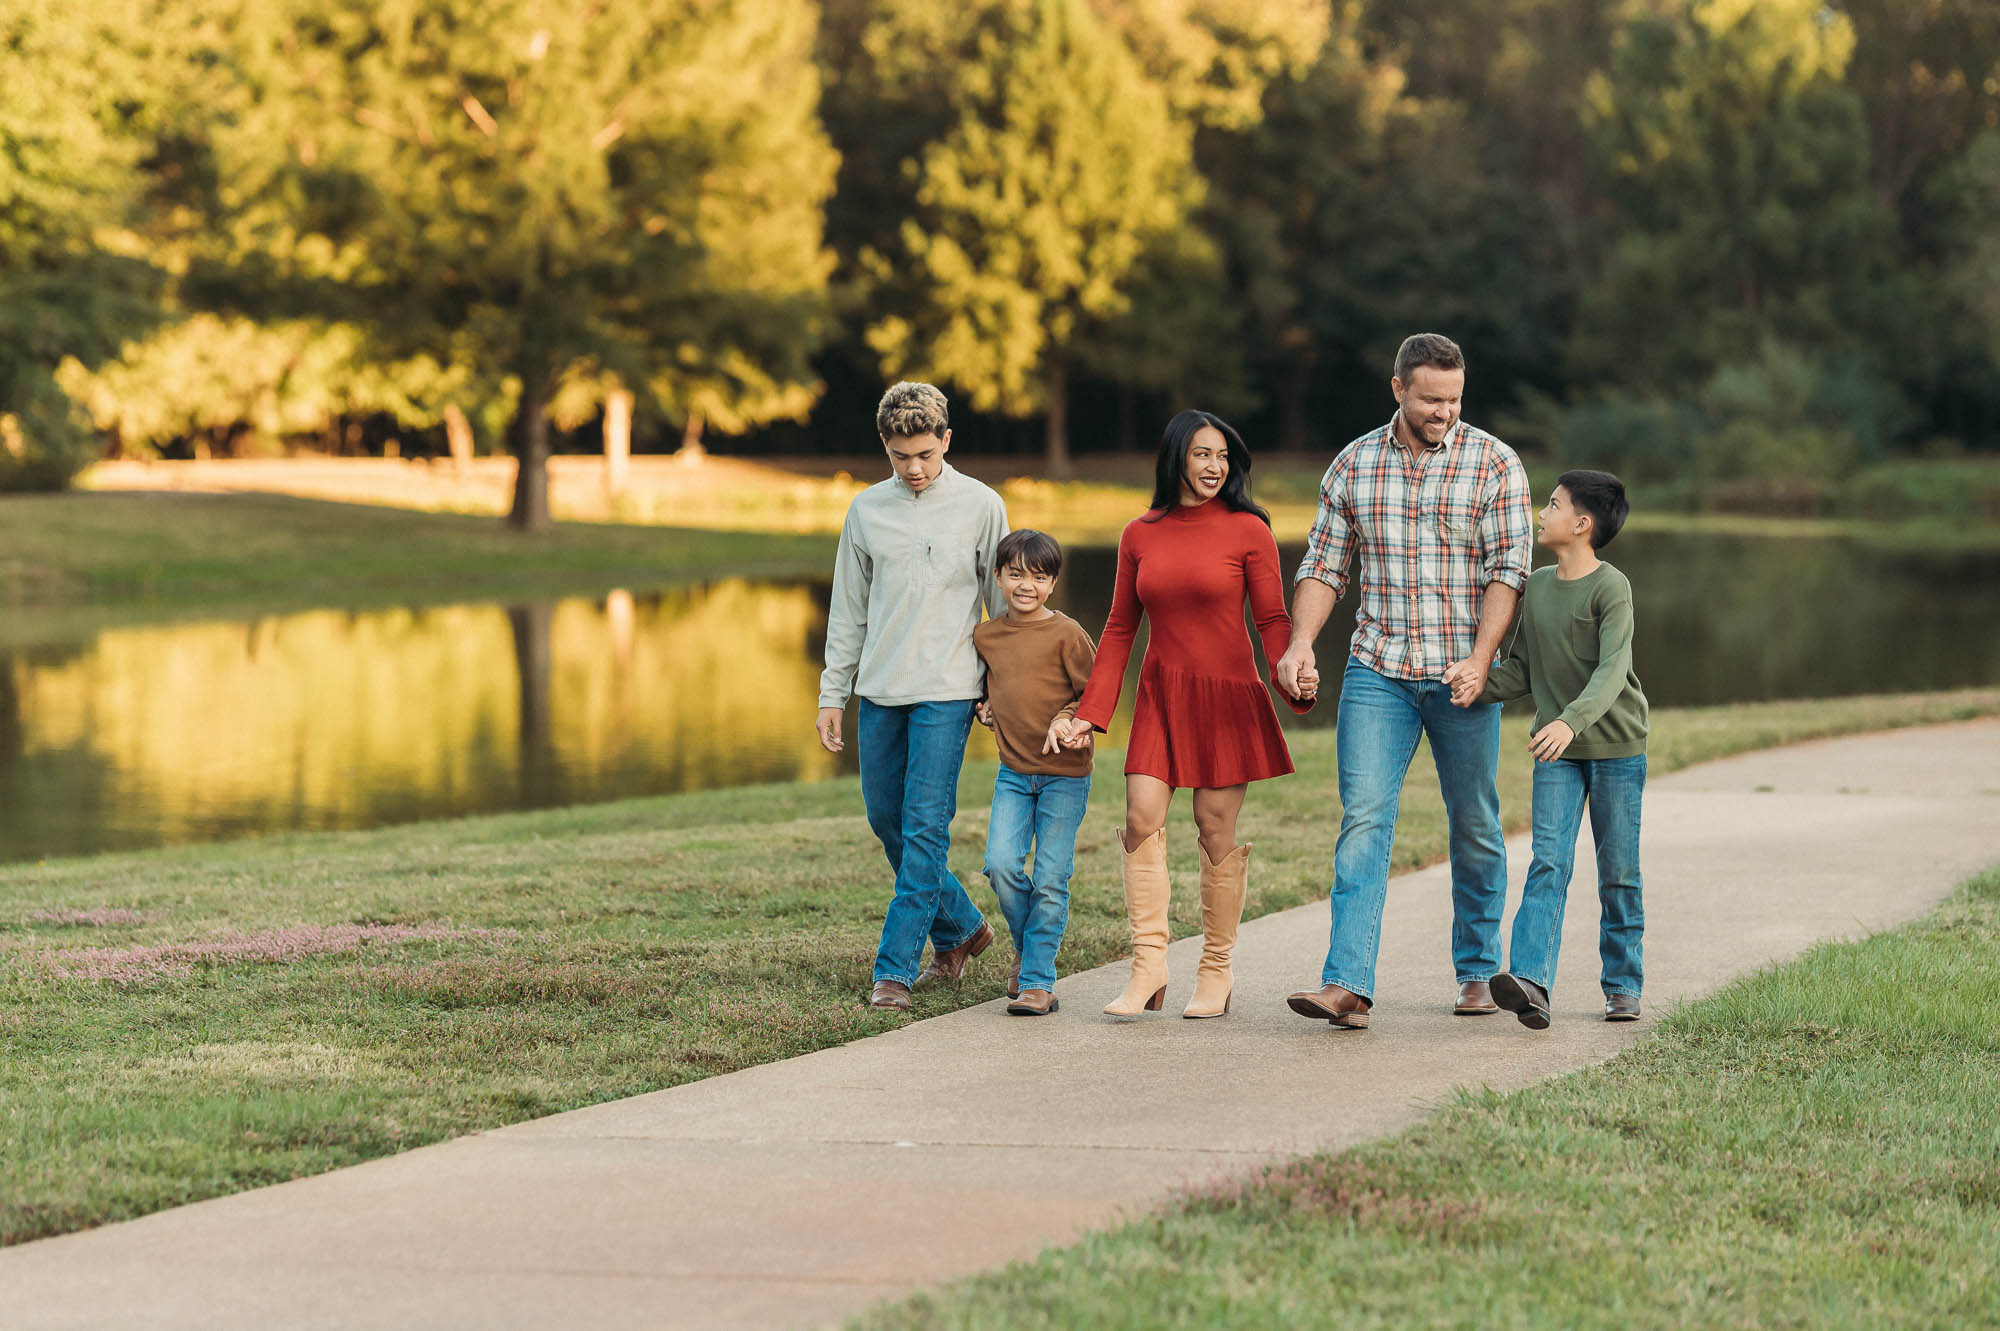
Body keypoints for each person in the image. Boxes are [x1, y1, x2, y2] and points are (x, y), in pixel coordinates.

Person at [1276, 333, 1532, 1030]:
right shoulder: (1355, 463)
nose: (1443, 412)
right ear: (1398, 389)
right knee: (1364, 818)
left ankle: (1479, 969)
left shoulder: (1495, 464)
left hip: (1461, 675)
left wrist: (1482, 660)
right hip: (1377, 671)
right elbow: (1325, 566)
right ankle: (1348, 983)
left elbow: (1506, 572)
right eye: (1428, 399)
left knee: (1475, 822)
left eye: (1453, 399)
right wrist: (1301, 642)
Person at [1054, 410, 1312, 1019]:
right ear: (1176, 458)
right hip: (1159, 696)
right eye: (1202, 455)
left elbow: (1272, 620)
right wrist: (1091, 713)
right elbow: (1119, 628)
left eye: (1223, 457)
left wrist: (1292, 678)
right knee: (1141, 819)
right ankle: (1148, 970)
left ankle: (1217, 971)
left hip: (1225, 696)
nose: (1215, 467)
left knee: (1213, 827)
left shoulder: (1248, 529)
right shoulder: (1139, 534)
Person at [817, 381, 1010, 1012]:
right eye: (903, 457)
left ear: (947, 440)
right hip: (880, 689)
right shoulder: (867, 510)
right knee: (886, 820)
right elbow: (848, 610)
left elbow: (1004, 605)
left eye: (927, 453)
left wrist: (1000, 687)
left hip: (950, 690)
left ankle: (894, 971)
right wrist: (831, 693)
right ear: (886, 448)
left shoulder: (982, 505)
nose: (916, 468)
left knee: (926, 828)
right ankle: (963, 926)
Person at [1445, 470, 1650, 1027]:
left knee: (1619, 870)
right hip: (1556, 751)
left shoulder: (1612, 587)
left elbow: (1613, 670)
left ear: (1581, 524)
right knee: (1548, 862)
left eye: (1554, 505)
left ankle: (1623, 984)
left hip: (1615, 750)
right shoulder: (1535, 587)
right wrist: (1471, 682)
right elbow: (1523, 672)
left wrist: (1569, 723)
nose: (1542, 512)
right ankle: (1531, 983)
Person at [972, 529, 1097, 1017]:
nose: (1026, 585)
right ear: (999, 577)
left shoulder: (1067, 634)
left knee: (1050, 875)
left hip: (1065, 776)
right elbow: (988, 688)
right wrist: (985, 707)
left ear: (1052, 583)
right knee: (1001, 865)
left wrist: (1069, 718)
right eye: (1016, 574)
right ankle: (1031, 952)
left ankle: (1037, 981)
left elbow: (1096, 694)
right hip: (1014, 774)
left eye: (1038, 577)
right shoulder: (987, 636)